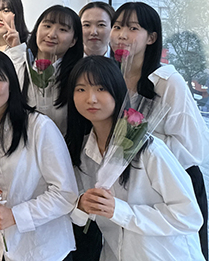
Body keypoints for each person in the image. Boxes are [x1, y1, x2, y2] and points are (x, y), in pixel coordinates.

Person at [66, 56, 205, 261]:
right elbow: (84, 215)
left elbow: (189, 216)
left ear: (117, 91)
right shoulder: (83, 153)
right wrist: (82, 205)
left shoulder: (149, 149)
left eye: (101, 88)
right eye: (81, 89)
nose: (91, 98)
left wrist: (120, 211)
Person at [109, 1, 209, 258]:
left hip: (175, 186)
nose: (122, 35)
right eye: (117, 27)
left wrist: (135, 140)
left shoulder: (167, 81)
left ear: (151, 38)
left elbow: (192, 148)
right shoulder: (111, 79)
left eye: (133, 28)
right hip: (132, 187)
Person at [0, 50, 78, 261]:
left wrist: (16, 216)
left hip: (39, 248)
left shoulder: (39, 127)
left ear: (11, 84)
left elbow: (65, 194)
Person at [4, 5, 83, 135]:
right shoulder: (19, 68)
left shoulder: (79, 76)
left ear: (73, 41)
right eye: (47, 26)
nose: (51, 35)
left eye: (63, 29)